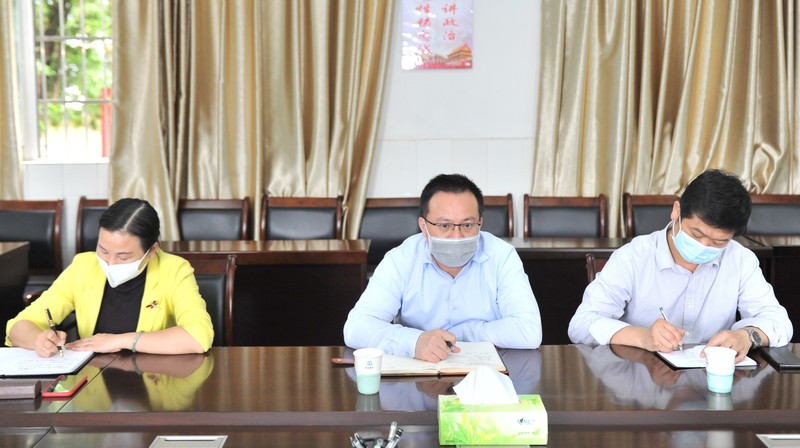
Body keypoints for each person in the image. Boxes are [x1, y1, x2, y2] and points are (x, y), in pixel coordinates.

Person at [568, 169, 793, 362]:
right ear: (677, 211)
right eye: (696, 234)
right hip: (643, 381)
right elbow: (581, 324)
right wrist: (642, 336)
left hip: (712, 382)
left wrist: (747, 336)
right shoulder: (633, 257)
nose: (704, 246)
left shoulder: (740, 260)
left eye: (718, 242)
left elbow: (779, 322)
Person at [343, 174, 542, 362]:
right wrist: (415, 342)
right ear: (424, 226)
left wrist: (461, 333)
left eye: (467, 225)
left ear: (480, 223)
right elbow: (356, 327)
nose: (457, 236)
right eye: (444, 226)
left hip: (486, 374)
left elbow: (529, 331)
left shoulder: (502, 256)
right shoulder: (401, 259)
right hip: (419, 374)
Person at [6, 198, 214, 356]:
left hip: (154, 379)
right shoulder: (83, 266)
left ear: (151, 251)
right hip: (92, 380)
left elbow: (198, 336)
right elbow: (18, 325)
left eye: (123, 257)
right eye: (103, 251)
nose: (110, 263)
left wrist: (121, 340)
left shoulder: (174, 270)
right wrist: (39, 339)